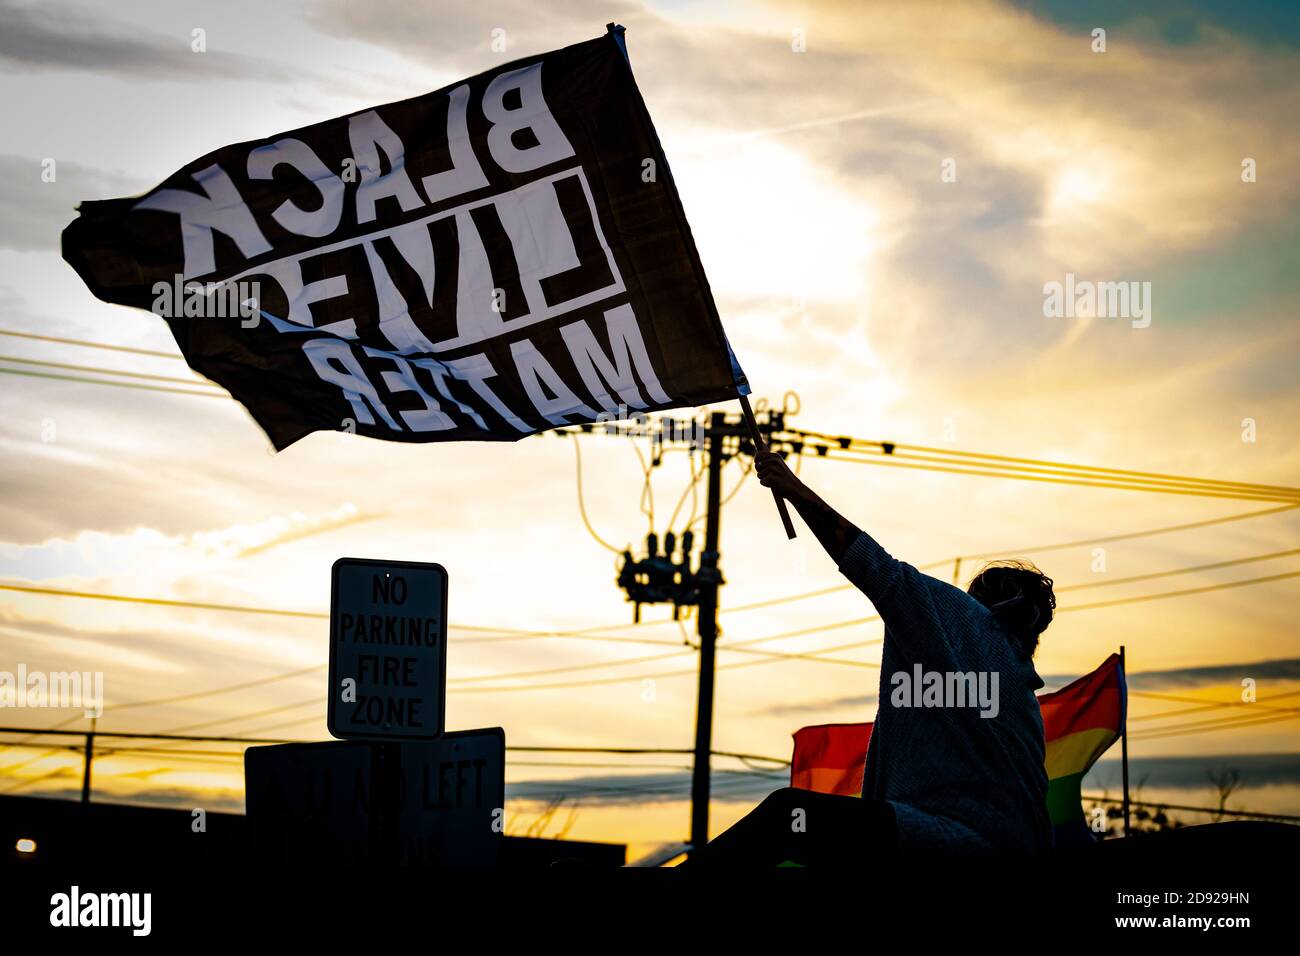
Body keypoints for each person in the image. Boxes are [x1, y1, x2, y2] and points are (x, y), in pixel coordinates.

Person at [688, 450, 1055, 866]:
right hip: (1008, 849)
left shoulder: (963, 623)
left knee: (789, 817)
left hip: (955, 841)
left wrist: (794, 490)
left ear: (975, 604)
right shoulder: (1019, 688)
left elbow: (875, 568)